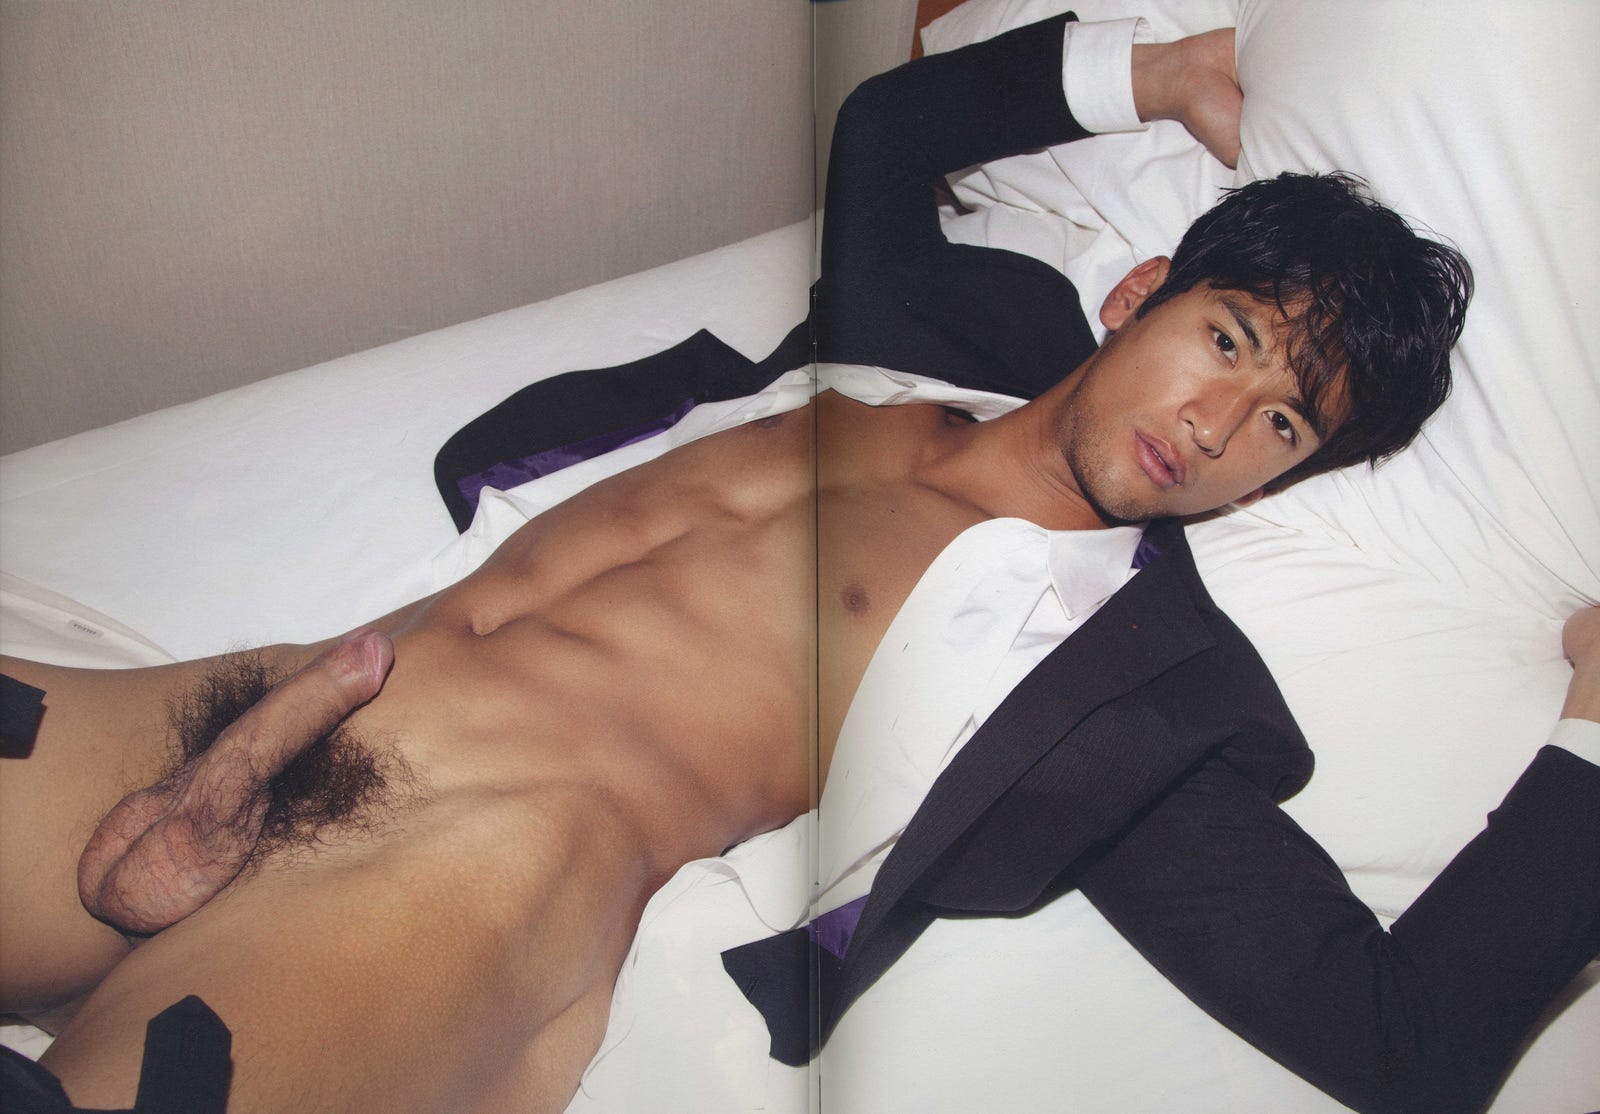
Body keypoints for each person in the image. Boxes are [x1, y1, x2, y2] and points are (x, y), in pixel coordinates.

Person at [0, 15, 1591, 1114]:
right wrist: (1160, 73)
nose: (1220, 424)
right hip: (289, 697)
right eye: (1229, 340)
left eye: (1285, 427)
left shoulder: (1129, 688)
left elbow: (1406, 1041)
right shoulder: (934, 325)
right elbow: (887, 126)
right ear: (1140, 293)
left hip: (466, 880)